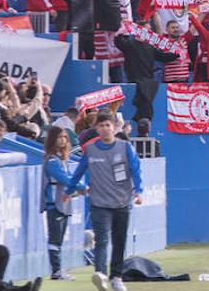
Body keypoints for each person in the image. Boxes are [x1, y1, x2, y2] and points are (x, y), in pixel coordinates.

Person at [67, 112, 143, 291]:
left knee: (119, 240)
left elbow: (135, 169)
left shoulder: (125, 147)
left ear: (114, 127)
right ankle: (100, 274)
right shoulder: (91, 149)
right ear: (96, 128)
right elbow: (79, 171)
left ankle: (116, 277)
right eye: (101, 126)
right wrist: (69, 190)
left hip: (122, 202)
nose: (104, 129)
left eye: (108, 125)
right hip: (99, 202)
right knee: (101, 240)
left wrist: (139, 191)